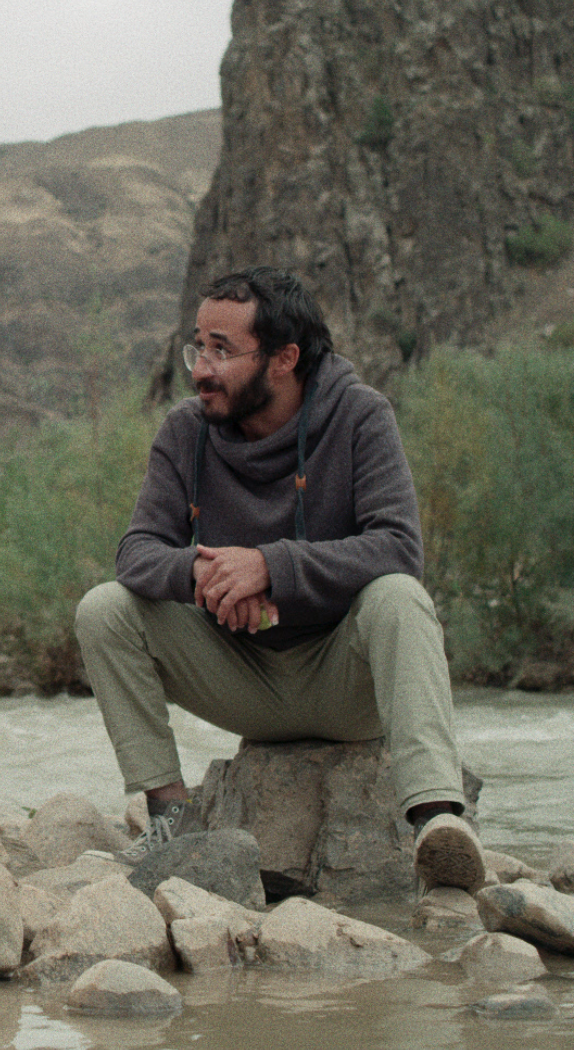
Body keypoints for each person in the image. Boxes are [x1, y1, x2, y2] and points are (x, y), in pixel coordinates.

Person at [72, 266, 482, 891]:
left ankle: (436, 822)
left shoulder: (361, 415)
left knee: (400, 596)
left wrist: (270, 567)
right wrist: (210, 576)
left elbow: (399, 548)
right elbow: (137, 553)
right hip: (242, 677)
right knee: (104, 609)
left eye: (222, 350)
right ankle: (170, 818)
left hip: (346, 681)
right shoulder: (185, 429)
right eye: (197, 348)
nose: (201, 369)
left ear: (285, 358)